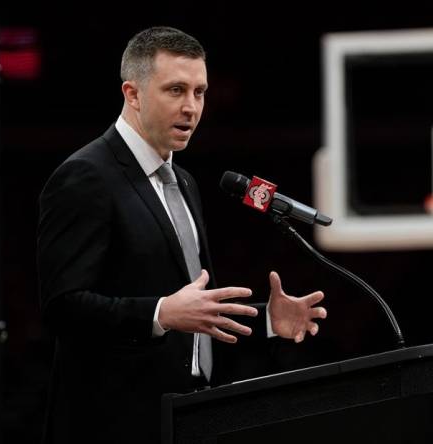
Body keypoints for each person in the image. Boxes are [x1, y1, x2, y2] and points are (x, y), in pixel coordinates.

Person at [37, 26, 327, 444]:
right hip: (114, 424)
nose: (191, 107)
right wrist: (158, 314)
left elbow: (194, 313)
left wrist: (265, 320)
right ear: (132, 94)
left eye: (200, 92)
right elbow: (62, 307)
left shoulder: (185, 183)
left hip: (192, 418)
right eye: (175, 90)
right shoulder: (86, 176)